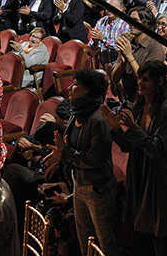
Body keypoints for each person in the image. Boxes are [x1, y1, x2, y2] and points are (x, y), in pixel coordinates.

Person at [101, 61, 167, 256]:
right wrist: (114, 128)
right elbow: (128, 146)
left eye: (146, 80)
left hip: (159, 180)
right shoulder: (139, 106)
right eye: (140, 78)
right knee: (142, 236)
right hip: (140, 174)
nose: (140, 83)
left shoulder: (166, 110)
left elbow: (157, 148)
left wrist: (133, 128)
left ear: (159, 83)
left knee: (160, 237)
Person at [44, 69, 119, 256]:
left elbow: (94, 159)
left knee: (104, 243)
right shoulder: (76, 114)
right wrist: (61, 154)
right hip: (80, 184)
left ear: (88, 91)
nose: (70, 88)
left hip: (97, 189)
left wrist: (65, 153)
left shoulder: (98, 120)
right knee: (85, 240)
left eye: (76, 84)